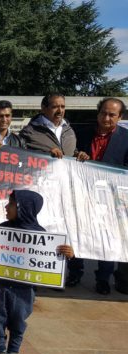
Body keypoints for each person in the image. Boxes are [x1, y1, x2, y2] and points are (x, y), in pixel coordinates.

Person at [0, 190, 74, 354]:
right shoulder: (1, 230)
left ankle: (13, 351)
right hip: (0, 287)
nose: (6, 207)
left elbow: (51, 263)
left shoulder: (42, 236)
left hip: (24, 290)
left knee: (19, 322)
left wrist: (67, 255)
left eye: (11, 204)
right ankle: (0, 352)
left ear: (23, 208)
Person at [70, 97, 128, 294]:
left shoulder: (126, 138)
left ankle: (103, 278)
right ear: (98, 113)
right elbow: (69, 155)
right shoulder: (80, 133)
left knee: (108, 238)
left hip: (111, 199)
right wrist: (78, 155)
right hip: (81, 194)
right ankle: (74, 272)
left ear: (120, 117)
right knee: (77, 233)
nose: (107, 117)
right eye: (103, 112)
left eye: (112, 114)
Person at [19, 93, 88, 160]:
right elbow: (21, 157)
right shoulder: (29, 132)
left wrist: (78, 154)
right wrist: (47, 155)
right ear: (43, 108)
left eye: (62, 107)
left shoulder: (69, 130)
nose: (60, 111)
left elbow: (72, 151)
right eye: (55, 107)